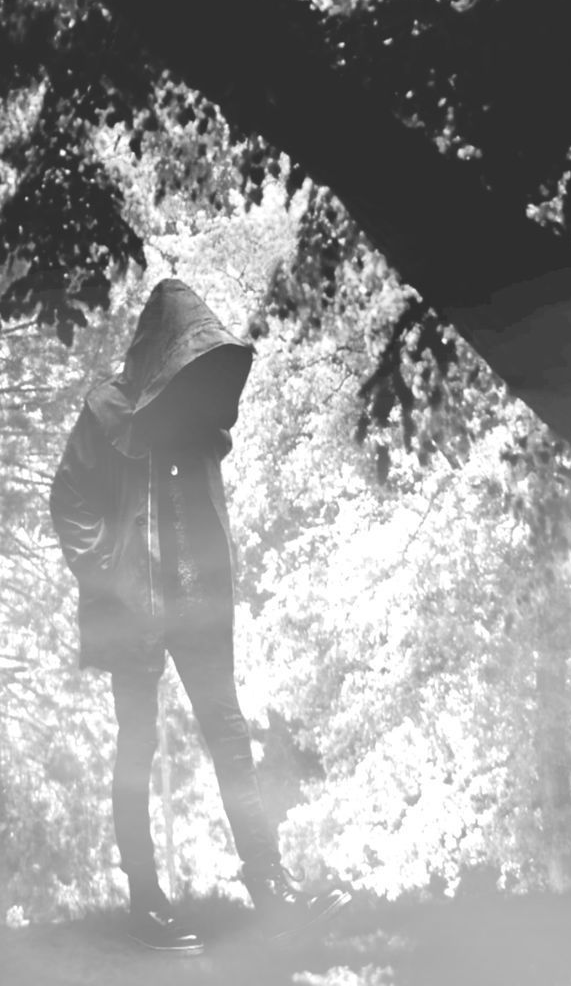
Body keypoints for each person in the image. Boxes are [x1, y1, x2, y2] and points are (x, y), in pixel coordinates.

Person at [50, 278, 346, 954]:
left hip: (199, 608)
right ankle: (145, 903)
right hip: (133, 614)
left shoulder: (198, 425)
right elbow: (69, 499)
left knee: (231, 739)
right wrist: (113, 578)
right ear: (162, 352)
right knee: (137, 748)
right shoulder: (105, 413)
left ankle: (273, 888)